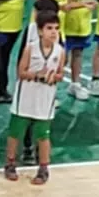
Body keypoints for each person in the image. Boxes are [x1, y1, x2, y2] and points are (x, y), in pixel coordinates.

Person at [6, 10, 63, 184]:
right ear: (40, 31)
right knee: (15, 132)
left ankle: (44, 168)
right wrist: (38, 75)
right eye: (49, 28)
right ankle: (10, 163)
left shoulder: (60, 51)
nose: (53, 32)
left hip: (45, 100)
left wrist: (54, 77)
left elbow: (60, 74)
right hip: (25, 97)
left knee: (43, 136)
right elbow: (21, 72)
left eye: (56, 28)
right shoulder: (30, 48)